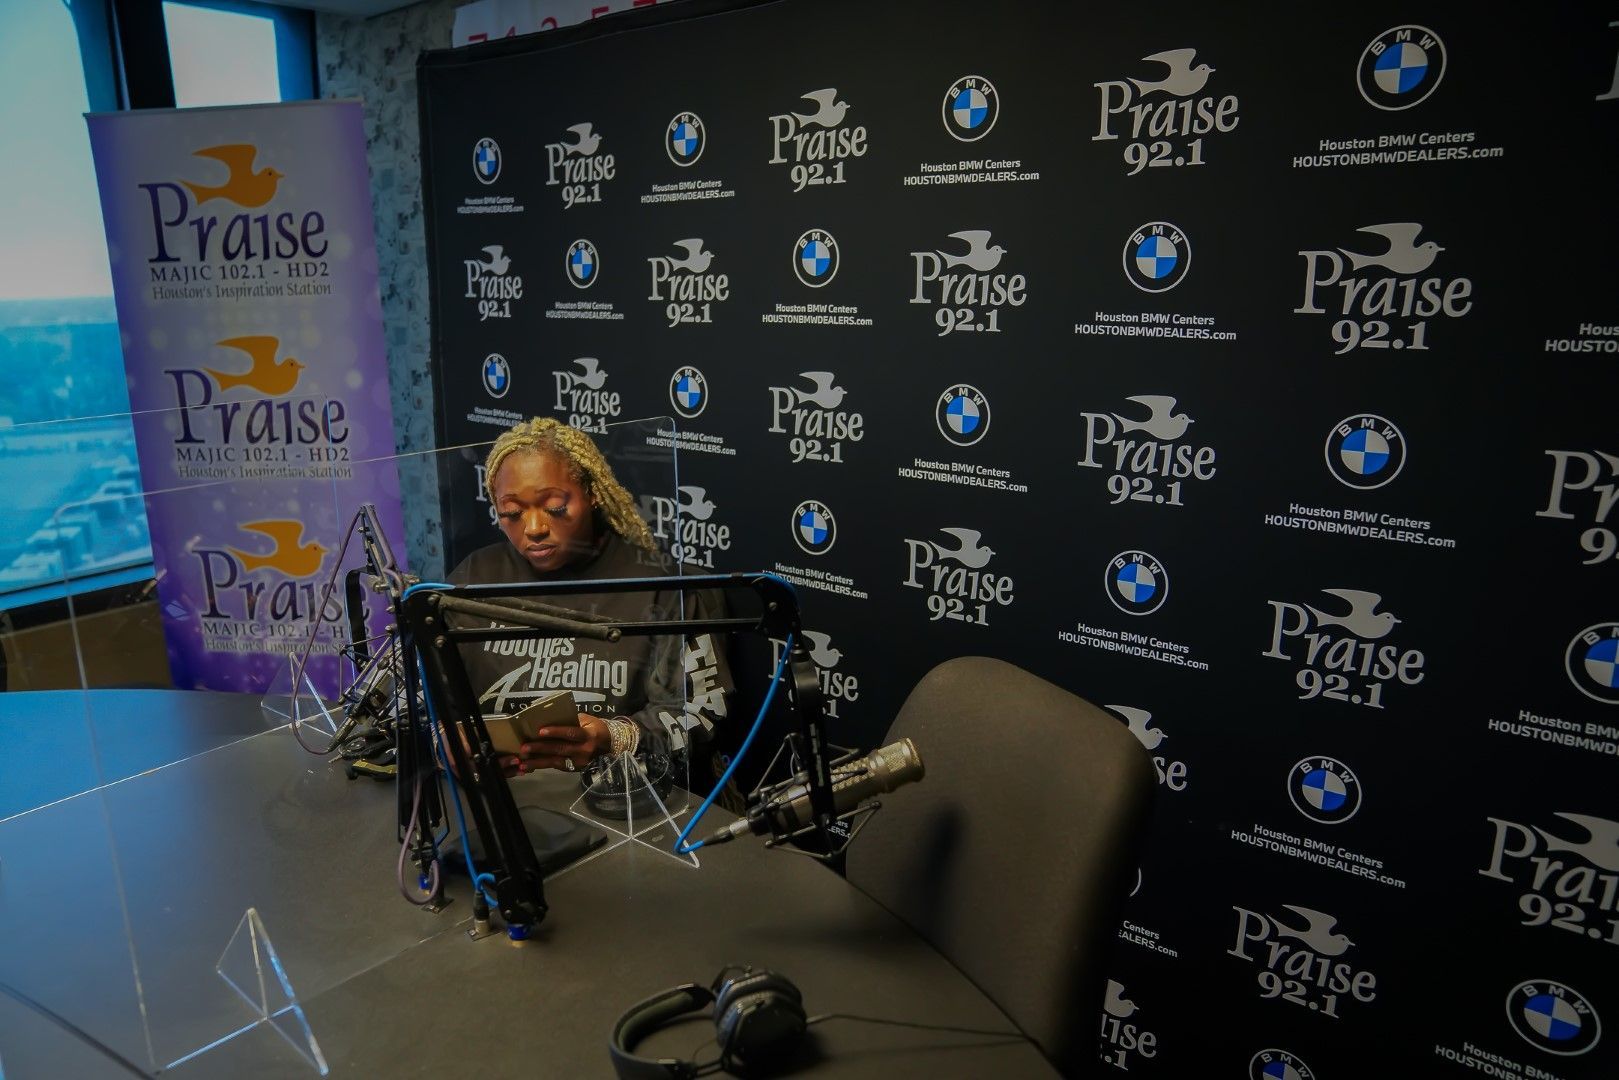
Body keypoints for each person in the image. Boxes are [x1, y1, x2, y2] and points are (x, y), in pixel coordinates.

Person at [445, 417, 732, 790]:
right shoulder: (474, 578)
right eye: (512, 513)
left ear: (592, 494)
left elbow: (700, 711)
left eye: (554, 506)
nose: (533, 528)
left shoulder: (659, 585)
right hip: (499, 800)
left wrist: (613, 739)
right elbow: (414, 697)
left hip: (619, 803)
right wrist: (444, 739)